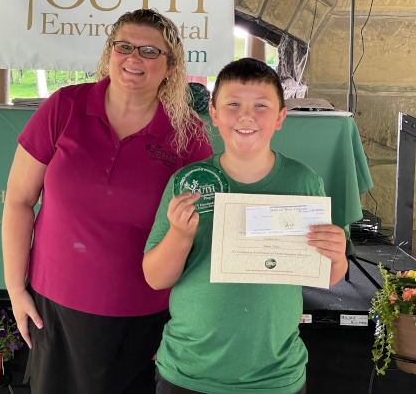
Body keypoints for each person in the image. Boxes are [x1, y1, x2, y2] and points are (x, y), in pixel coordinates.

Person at [1, 8, 213, 394]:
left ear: (171, 66)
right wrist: (16, 290)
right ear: (109, 53)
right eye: (125, 46)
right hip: (55, 309)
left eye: (150, 51)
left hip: (145, 317)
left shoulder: (187, 134)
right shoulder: (64, 107)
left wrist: (183, 318)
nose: (134, 58)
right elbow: (18, 200)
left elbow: (202, 236)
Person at [143, 58, 348, 394]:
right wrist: (180, 235)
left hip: (275, 375)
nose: (246, 116)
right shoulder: (188, 183)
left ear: (281, 116)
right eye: (233, 104)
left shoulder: (304, 182)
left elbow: (325, 274)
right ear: (214, 112)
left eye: (261, 106)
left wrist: (336, 255)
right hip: (188, 371)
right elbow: (155, 278)